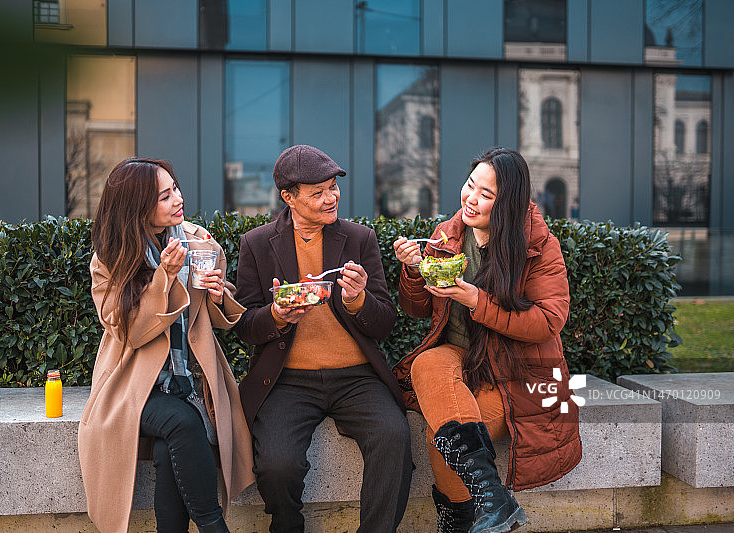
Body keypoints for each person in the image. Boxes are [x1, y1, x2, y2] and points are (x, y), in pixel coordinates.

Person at [392, 147, 581, 533]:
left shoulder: (537, 246)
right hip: (461, 354)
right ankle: (494, 500)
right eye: (469, 185)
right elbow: (417, 309)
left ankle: (459, 519)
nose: (470, 199)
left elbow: (549, 320)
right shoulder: (447, 234)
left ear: (508, 203)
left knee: (439, 436)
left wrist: (477, 300)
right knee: (426, 362)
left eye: (486, 195)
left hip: (518, 373)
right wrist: (412, 272)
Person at [234, 145, 413, 532]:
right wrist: (277, 316)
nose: (331, 198)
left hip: (357, 377)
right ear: (288, 197)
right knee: (277, 464)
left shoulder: (359, 238)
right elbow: (245, 324)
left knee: (393, 437)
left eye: (333, 188)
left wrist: (359, 298)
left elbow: (384, 323)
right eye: (317, 193)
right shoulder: (256, 243)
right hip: (287, 380)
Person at [78, 158, 255, 533]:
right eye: (164, 195)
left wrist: (220, 293)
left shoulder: (198, 240)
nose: (178, 199)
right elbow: (129, 333)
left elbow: (218, 319)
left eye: (175, 188)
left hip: (190, 378)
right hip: (132, 387)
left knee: (167, 447)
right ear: (137, 206)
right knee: (182, 422)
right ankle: (213, 527)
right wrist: (166, 277)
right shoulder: (109, 258)